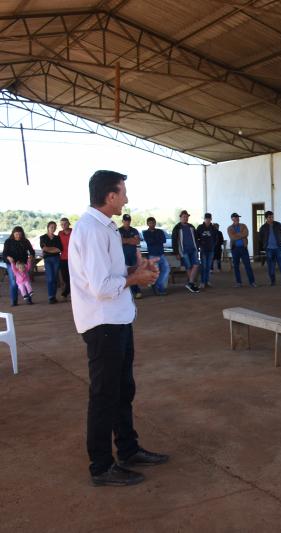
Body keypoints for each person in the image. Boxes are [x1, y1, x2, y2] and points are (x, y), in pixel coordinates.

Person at [69, 170, 167, 487]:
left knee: (123, 390)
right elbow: (100, 286)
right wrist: (135, 279)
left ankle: (128, 449)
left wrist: (134, 269)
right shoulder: (91, 230)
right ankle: (101, 466)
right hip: (103, 325)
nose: (126, 198)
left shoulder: (105, 227)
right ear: (110, 196)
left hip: (118, 320)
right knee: (104, 396)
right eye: (123, 193)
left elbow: (108, 272)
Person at [2, 226, 35, 306]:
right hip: (12, 264)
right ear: (13, 234)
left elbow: (32, 251)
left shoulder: (25, 241)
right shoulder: (8, 241)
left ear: (22, 234)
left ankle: (28, 299)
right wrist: (8, 257)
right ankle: (14, 301)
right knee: (14, 282)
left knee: (25, 281)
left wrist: (31, 256)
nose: (18, 236)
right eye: (16, 234)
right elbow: (4, 253)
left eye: (20, 234)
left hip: (23, 265)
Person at [171, 210, 200, 293]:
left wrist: (197, 246)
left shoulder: (191, 226)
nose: (185, 218)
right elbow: (174, 241)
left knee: (196, 265)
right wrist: (176, 253)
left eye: (187, 217)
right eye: (184, 217)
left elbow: (196, 237)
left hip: (193, 249)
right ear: (180, 218)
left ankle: (190, 283)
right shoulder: (177, 228)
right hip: (183, 251)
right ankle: (192, 284)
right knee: (188, 267)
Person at [258, 211, 281, 286]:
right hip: (269, 249)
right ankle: (273, 282)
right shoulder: (263, 227)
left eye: (272, 217)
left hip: (278, 248)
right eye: (269, 217)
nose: (271, 218)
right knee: (271, 266)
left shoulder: (278, 224)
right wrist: (266, 244)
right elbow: (260, 238)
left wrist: (279, 240)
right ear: (266, 218)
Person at [142, 217, 170, 296]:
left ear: (155, 223)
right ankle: (159, 288)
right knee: (156, 272)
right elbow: (149, 242)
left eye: (153, 223)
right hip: (152, 255)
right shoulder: (145, 233)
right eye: (150, 223)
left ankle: (157, 285)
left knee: (167, 270)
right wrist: (157, 239)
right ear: (147, 224)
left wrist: (155, 240)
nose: (152, 224)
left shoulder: (160, 231)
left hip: (161, 254)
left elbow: (164, 240)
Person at [227, 213, 256, 288]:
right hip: (235, 249)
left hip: (243, 248)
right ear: (232, 219)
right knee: (236, 266)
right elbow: (232, 237)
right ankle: (238, 283)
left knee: (248, 265)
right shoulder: (229, 228)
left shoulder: (243, 225)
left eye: (238, 217)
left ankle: (252, 282)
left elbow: (246, 234)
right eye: (236, 217)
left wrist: (236, 234)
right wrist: (241, 234)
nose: (237, 218)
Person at [40, 220, 63, 304]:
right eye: (51, 227)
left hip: (56, 259)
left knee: (55, 278)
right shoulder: (43, 237)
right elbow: (44, 248)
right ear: (48, 228)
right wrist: (54, 249)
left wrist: (49, 249)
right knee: (50, 278)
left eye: (54, 227)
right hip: (48, 259)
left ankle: (53, 296)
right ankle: (50, 296)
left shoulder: (57, 237)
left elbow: (60, 249)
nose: (53, 229)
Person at [119, 214, 142, 299]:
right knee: (125, 273)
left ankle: (136, 291)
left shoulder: (134, 230)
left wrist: (126, 240)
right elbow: (120, 241)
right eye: (125, 220)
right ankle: (131, 291)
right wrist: (131, 240)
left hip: (133, 255)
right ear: (122, 221)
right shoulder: (118, 230)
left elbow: (137, 241)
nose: (127, 222)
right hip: (123, 255)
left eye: (128, 221)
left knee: (134, 273)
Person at [196, 213, 217, 288]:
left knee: (208, 266)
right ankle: (202, 282)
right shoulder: (200, 227)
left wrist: (213, 245)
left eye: (209, 219)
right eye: (206, 219)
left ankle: (207, 281)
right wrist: (200, 245)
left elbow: (216, 238)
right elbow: (196, 237)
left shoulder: (213, 228)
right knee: (203, 266)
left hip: (211, 249)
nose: (207, 220)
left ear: (211, 219)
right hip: (203, 250)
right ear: (204, 219)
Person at [58, 217, 72, 298]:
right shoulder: (60, 233)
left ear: (69, 223)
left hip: (73, 258)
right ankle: (68, 289)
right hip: (63, 258)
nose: (63, 225)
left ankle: (67, 291)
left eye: (65, 223)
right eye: (62, 224)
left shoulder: (74, 231)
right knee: (65, 276)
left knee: (73, 275)